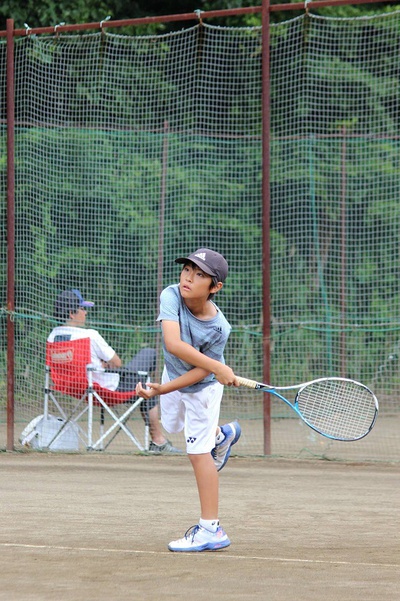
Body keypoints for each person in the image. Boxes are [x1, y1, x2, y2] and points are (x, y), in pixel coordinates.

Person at [136, 248, 241, 552]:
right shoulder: (171, 295)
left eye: (199, 275)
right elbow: (173, 343)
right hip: (173, 374)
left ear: (214, 287)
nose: (188, 278)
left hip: (203, 392)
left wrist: (213, 368)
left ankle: (211, 530)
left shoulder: (220, 329)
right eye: (187, 270)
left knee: (197, 453)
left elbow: (199, 374)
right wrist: (217, 366)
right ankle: (222, 435)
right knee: (170, 426)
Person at [47, 288, 182, 454]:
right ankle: (158, 441)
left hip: (76, 389)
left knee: (140, 378)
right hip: (106, 388)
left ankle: (154, 430)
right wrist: (104, 364)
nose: (86, 313)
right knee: (147, 369)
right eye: (83, 308)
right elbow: (117, 362)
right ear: (71, 313)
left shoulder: (52, 336)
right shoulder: (89, 335)